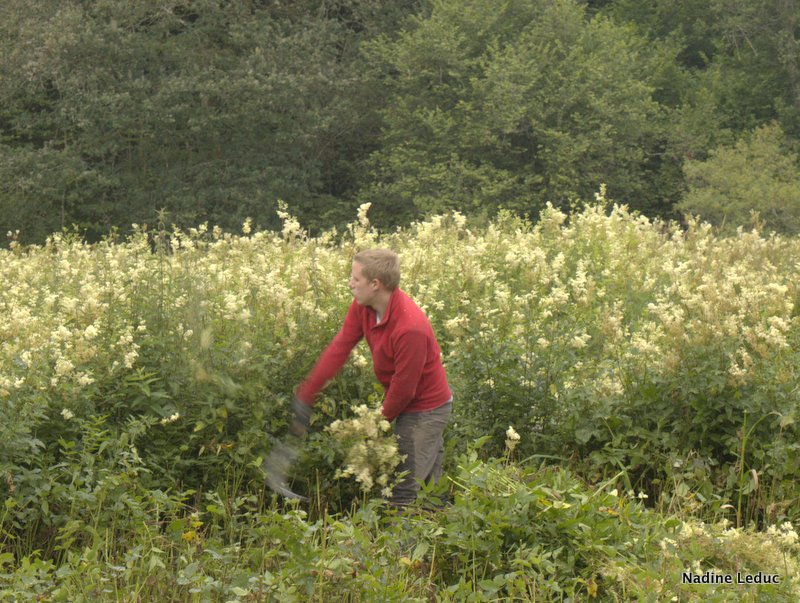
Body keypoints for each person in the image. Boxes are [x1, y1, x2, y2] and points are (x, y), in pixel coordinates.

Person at [292, 248, 453, 505]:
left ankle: (403, 545)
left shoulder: (410, 327)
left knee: (405, 489)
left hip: (426, 409)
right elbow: (339, 348)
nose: (350, 283)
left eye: (356, 279)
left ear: (375, 284)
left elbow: (404, 389)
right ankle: (443, 537)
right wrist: (307, 394)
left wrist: (375, 425)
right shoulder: (363, 308)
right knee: (430, 488)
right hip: (403, 400)